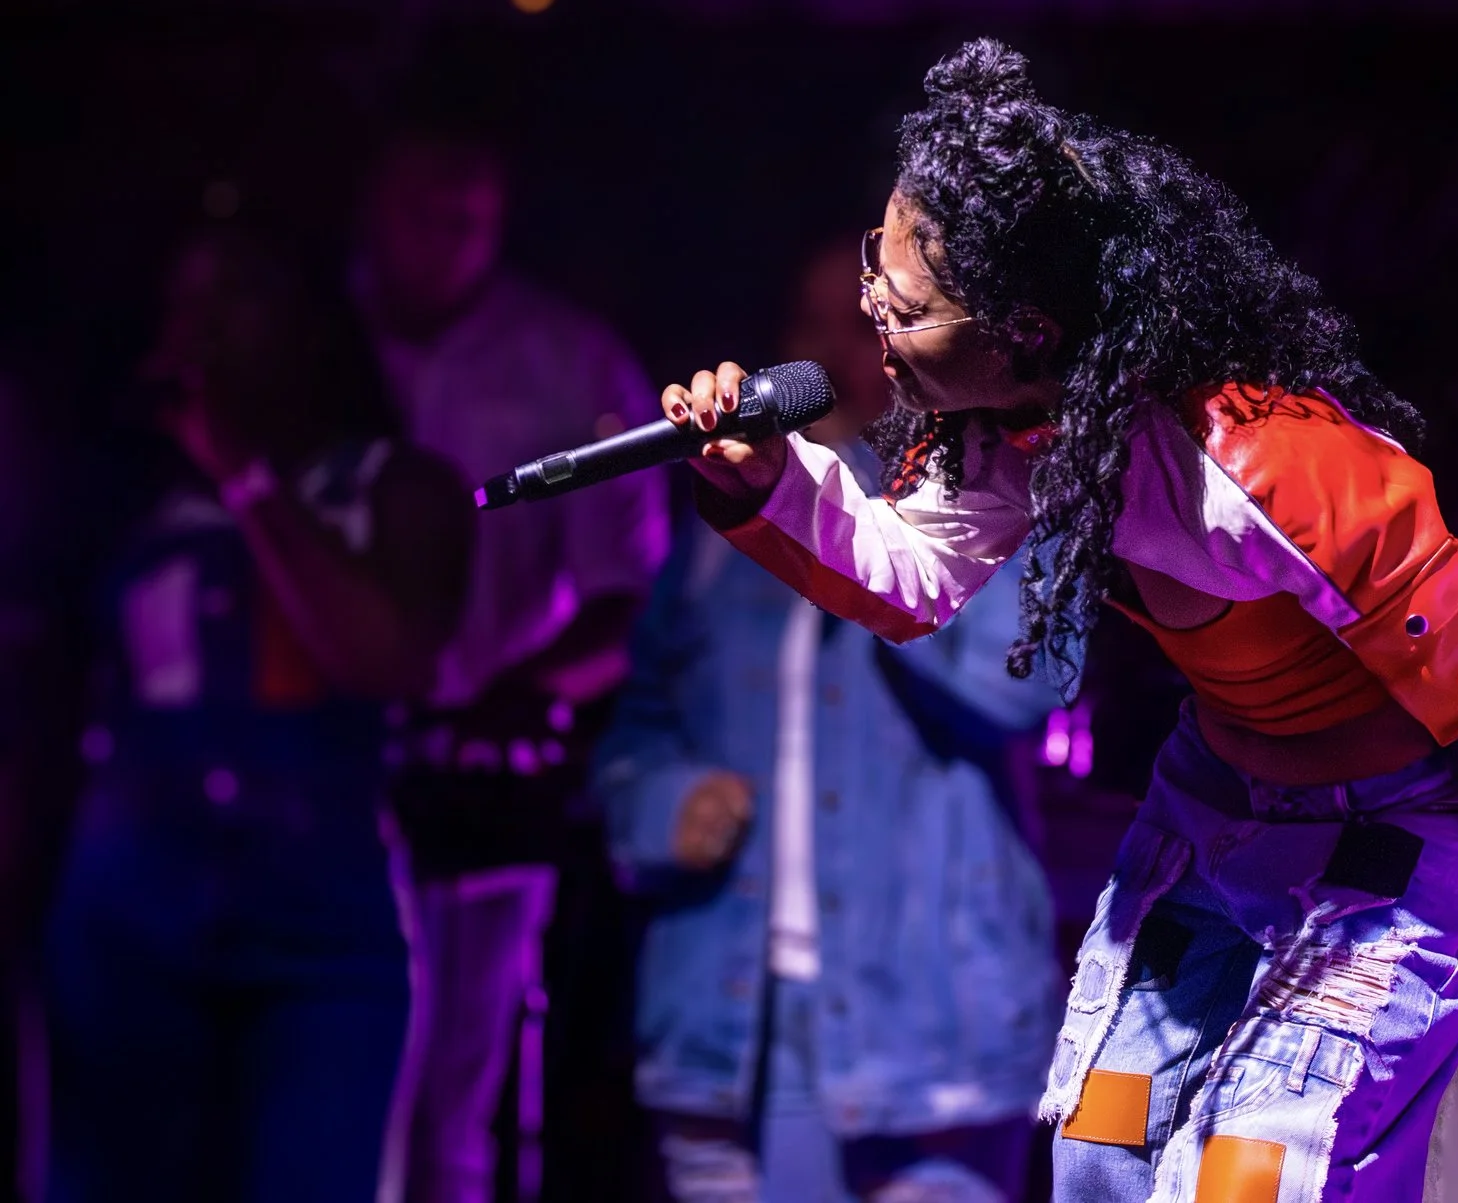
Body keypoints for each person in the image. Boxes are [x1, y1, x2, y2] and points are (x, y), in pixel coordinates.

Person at [627, 40, 1458, 1203]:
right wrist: (764, 480)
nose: (871, 299)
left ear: (1024, 324)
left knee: (1256, 1175)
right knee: (1102, 1157)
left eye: (907, 299)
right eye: (878, 254)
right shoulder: (1008, 429)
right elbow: (908, 576)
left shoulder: (1274, 471)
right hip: (1224, 817)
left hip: (1401, 845)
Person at [597, 240, 1071, 1203]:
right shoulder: (717, 524)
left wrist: (860, 491)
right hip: (729, 1019)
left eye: (874, 325)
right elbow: (629, 724)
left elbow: (1017, 685)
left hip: (930, 1028)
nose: (847, 354)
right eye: (817, 329)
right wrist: (661, 805)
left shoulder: (1000, 491)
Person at [42, 226, 474, 1203]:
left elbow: (386, 656)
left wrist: (245, 476)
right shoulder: (122, 504)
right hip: (132, 915)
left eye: (234, 297)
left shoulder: (395, 487)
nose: (201, 329)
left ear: (308, 320)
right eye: (182, 302)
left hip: (321, 920)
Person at [358, 117, 670, 1203]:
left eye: (469, 220)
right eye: (418, 212)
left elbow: (633, 592)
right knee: (333, 1074)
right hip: (324, 764)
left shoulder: (571, 361)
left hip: (483, 774)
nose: (442, 240)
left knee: (454, 1092)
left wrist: (523, 689)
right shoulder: (317, 339)